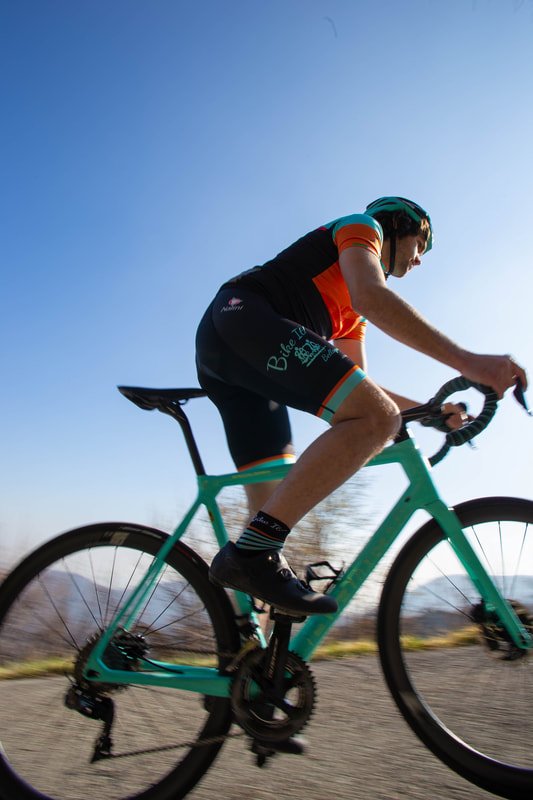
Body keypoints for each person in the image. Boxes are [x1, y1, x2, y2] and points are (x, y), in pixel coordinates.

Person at [195, 197, 527, 615]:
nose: (421, 259)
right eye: (421, 242)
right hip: (242, 318)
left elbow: (363, 390)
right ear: (397, 225)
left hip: (241, 359)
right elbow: (372, 297)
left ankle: (246, 645)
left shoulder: (351, 316)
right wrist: (471, 362)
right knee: (375, 420)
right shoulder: (362, 226)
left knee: (269, 505)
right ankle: (251, 559)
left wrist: (430, 411)